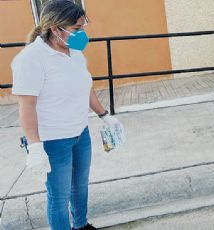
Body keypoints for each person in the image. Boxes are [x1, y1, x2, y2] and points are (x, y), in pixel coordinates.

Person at [11, 1, 122, 229]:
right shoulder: (31, 59)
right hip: (53, 141)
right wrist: (35, 147)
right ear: (55, 28)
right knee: (59, 198)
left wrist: (104, 115)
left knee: (80, 187)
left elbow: (86, 87)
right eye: (76, 29)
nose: (82, 34)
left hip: (80, 133)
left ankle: (80, 225)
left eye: (83, 27)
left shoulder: (75, 53)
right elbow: (27, 105)